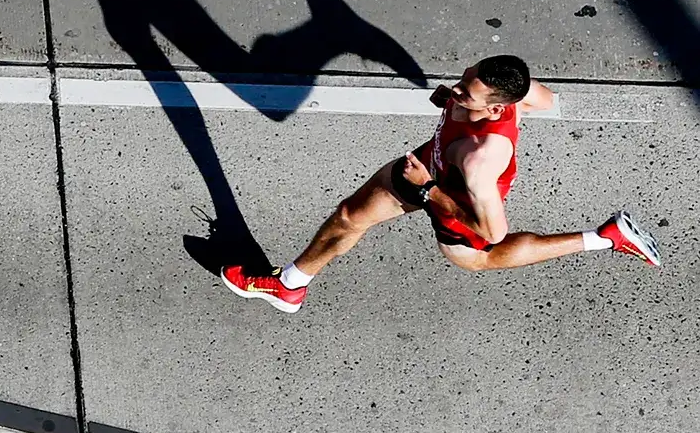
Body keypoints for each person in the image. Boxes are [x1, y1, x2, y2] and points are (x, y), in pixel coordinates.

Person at [221, 54, 661, 313]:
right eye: (464, 81)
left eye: (465, 94)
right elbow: (542, 100)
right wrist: (454, 104)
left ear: (493, 111)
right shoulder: (507, 88)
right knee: (349, 216)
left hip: (454, 198)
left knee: (478, 259)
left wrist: (430, 188)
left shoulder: (479, 163)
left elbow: (494, 232)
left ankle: (605, 238)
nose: (455, 91)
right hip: (429, 167)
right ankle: (290, 285)